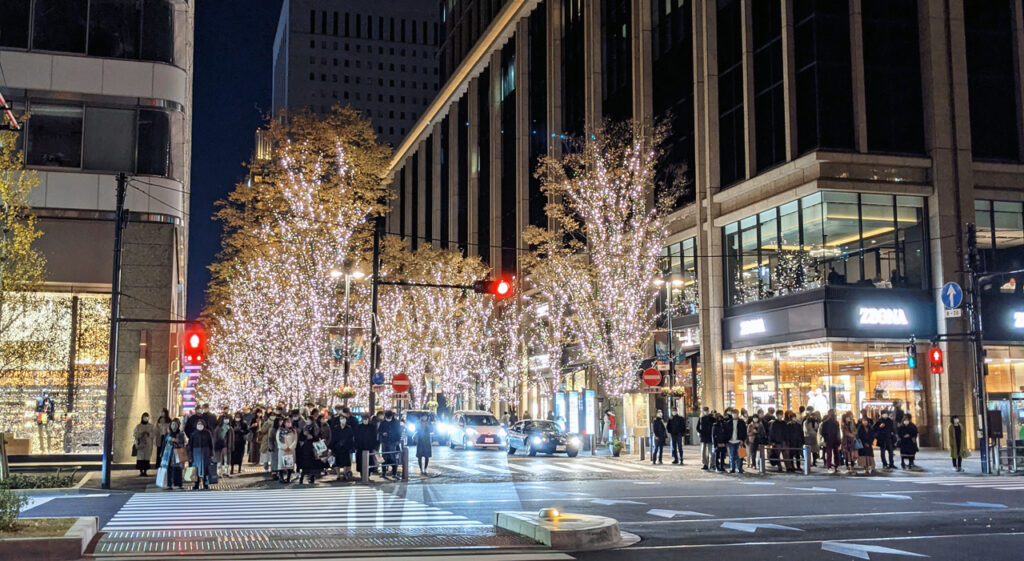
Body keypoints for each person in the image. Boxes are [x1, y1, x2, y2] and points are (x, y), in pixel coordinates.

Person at [159, 418, 186, 490]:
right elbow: (164, 445)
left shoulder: (181, 434)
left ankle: (178, 484)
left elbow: (183, 443)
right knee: (169, 469)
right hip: (168, 454)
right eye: (172, 424)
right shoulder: (167, 435)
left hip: (177, 453)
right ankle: (169, 484)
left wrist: (177, 442)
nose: (173, 426)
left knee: (178, 468)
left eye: (175, 424)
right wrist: (161, 454)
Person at [187, 419, 214, 490]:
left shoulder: (207, 433)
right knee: (196, 468)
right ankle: (196, 483)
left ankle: (206, 484)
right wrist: (190, 455)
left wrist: (211, 454)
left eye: (201, 424)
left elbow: (211, 444)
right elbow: (190, 445)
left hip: (206, 452)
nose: (200, 425)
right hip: (196, 453)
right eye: (198, 424)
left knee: (206, 468)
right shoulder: (193, 434)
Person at [329, 407, 355, 481]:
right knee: (337, 462)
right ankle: (338, 475)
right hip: (337, 447)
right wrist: (332, 446)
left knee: (346, 462)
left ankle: (345, 474)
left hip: (346, 447)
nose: (342, 420)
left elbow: (351, 438)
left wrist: (350, 446)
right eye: (341, 419)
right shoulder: (336, 428)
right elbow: (333, 437)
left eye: (344, 419)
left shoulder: (349, 428)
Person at [377, 410, 403, 477]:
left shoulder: (396, 422)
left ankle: (394, 472)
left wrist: (397, 440)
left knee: (392, 457)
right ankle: (384, 472)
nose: (388, 418)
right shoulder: (383, 423)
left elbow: (399, 432)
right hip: (385, 441)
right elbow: (379, 431)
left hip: (392, 441)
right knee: (384, 457)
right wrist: (383, 433)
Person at [819, 409, 842, 473]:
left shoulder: (835, 422)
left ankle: (834, 466)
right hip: (830, 440)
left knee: (835, 453)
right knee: (830, 453)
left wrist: (839, 439)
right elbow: (823, 432)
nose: (834, 415)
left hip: (834, 440)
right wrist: (826, 438)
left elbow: (838, 432)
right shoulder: (826, 423)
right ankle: (830, 466)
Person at [276, 417, 298, 483]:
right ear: (284, 423)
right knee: (282, 464)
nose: (289, 424)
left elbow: (295, 440)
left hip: (291, 450)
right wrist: (285, 447)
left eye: (290, 422)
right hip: (283, 450)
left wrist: (291, 447)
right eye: (287, 422)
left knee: (290, 464)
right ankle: (281, 477)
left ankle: (289, 477)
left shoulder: (293, 431)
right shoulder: (280, 430)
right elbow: (278, 440)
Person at [725, 409, 747, 473]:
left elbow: (744, 432)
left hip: (739, 441)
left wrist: (742, 440)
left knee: (740, 456)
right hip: (731, 441)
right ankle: (732, 468)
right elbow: (726, 433)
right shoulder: (728, 422)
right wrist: (727, 441)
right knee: (731, 455)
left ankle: (739, 468)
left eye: (736, 413)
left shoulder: (741, 422)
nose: (735, 415)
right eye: (734, 413)